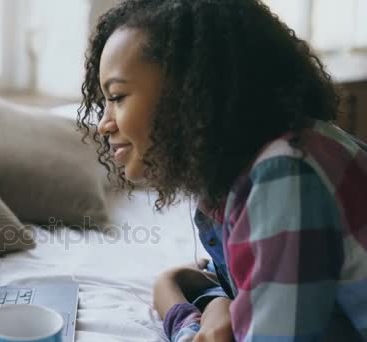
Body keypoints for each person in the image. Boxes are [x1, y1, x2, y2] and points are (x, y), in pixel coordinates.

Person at [77, 0, 367, 341]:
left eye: (118, 96)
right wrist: (218, 301)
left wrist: (173, 302)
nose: (103, 124)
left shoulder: (285, 176)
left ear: (189, 87)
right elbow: (250, 281)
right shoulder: (254, 165)